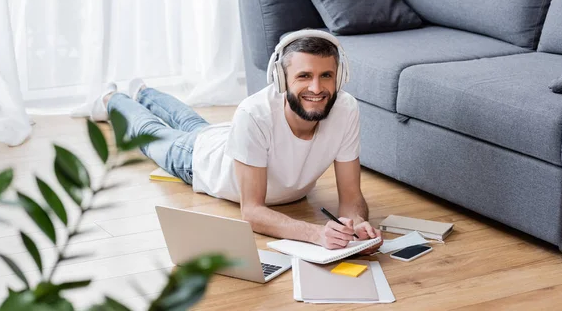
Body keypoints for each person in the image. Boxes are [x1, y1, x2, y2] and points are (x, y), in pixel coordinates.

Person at [92, 29, 382, 251]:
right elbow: (252, 212)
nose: (316, 88)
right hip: (197, 160)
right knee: (149, 131)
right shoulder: (254, 113)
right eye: (304, 75)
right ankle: (112, 99)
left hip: (226, 140)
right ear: (281, 80)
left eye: (326, 75)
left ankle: (144, 92)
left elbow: (352, 196)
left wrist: (356, 223)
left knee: (192, 122)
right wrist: (316, 234)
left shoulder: (346, 109)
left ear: (339, 77)